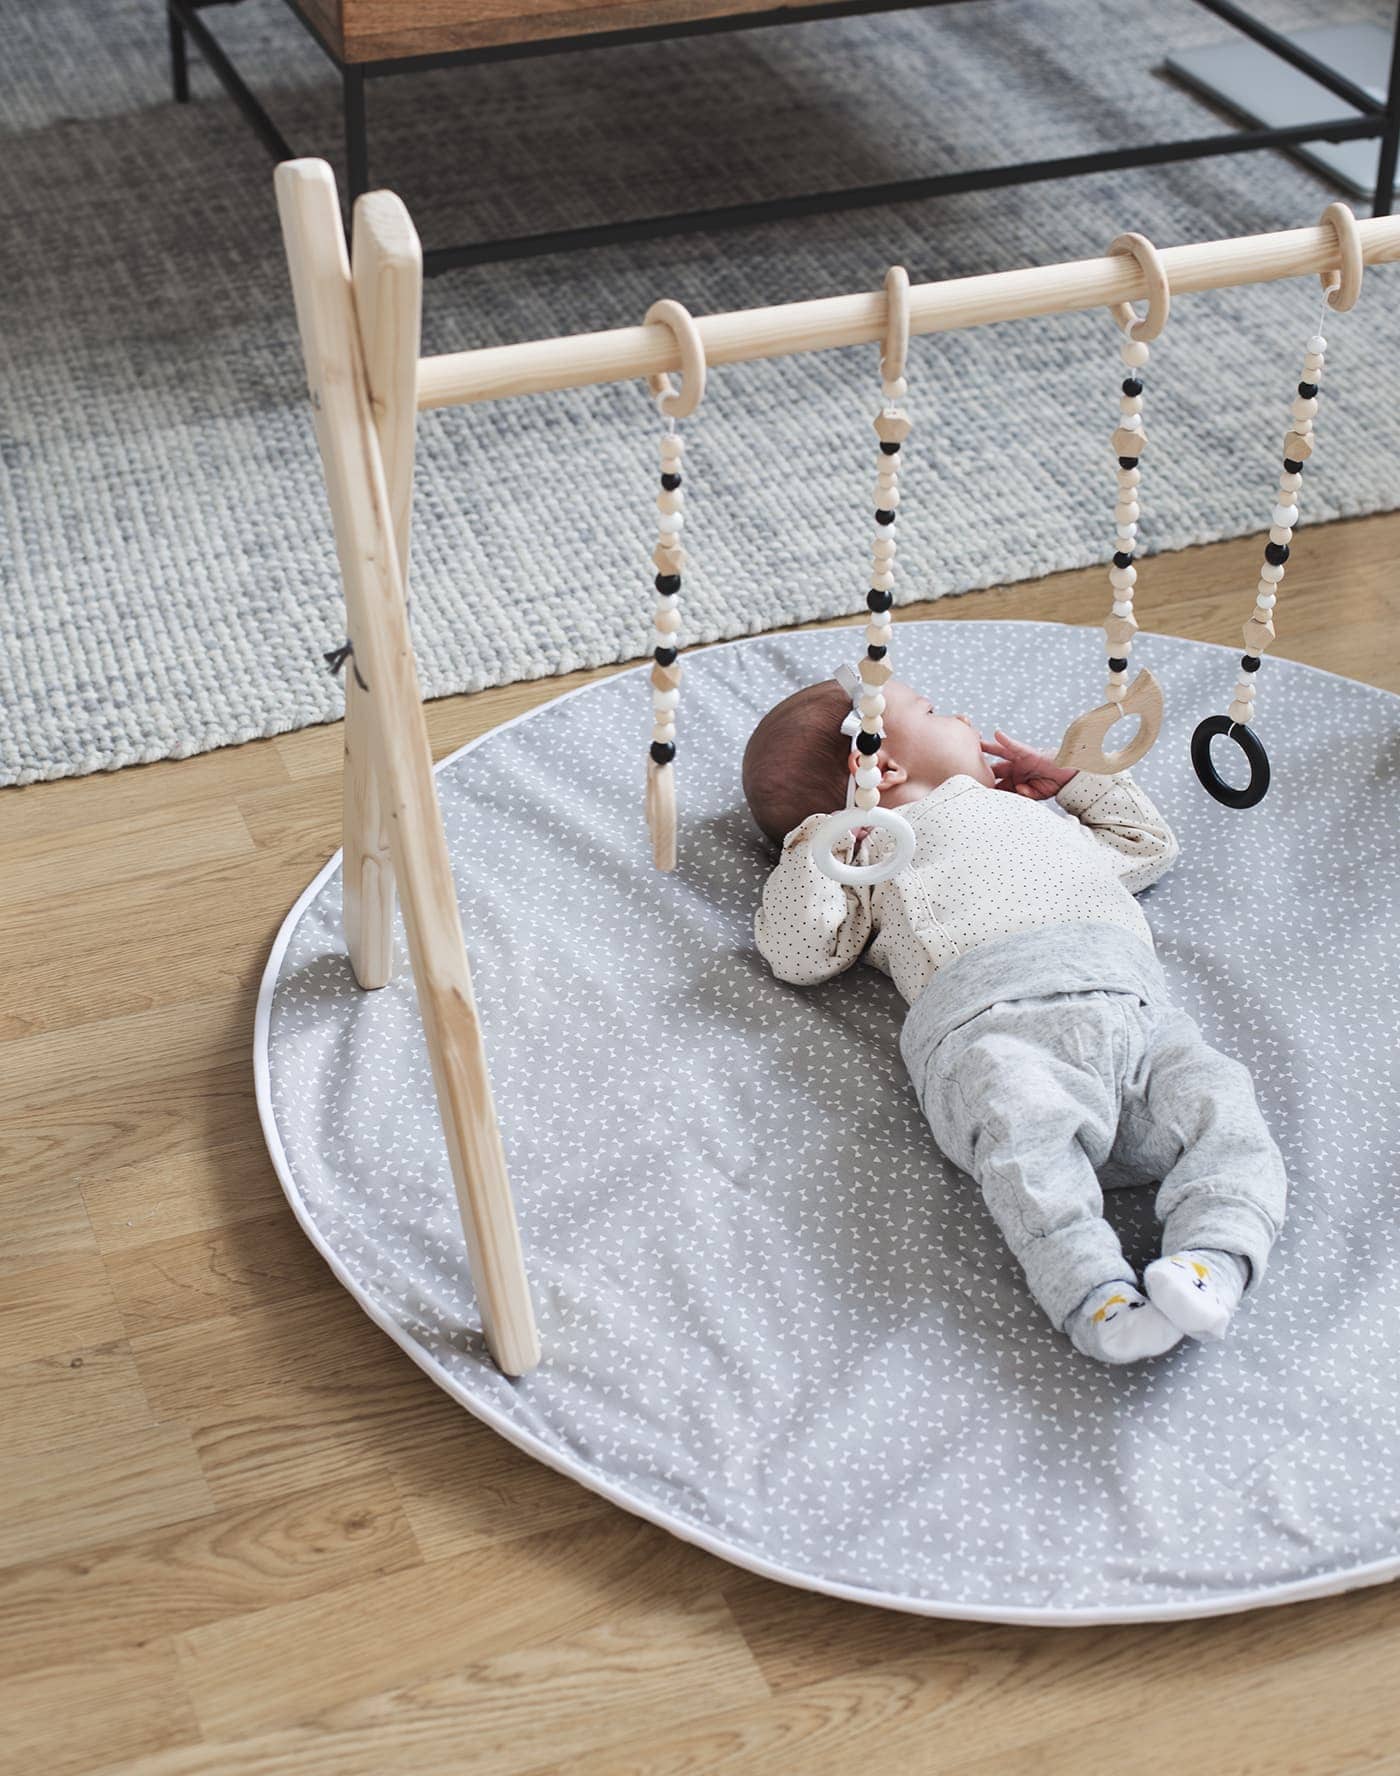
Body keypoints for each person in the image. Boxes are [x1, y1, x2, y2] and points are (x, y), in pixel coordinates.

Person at [744, 675, 1286, 1364]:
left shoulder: (1036, 818)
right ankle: (1096, 1295)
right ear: (884, 766)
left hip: (1136, 1011)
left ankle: (1212, 1259)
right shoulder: (875, 850)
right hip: (995, 1026)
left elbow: (1147, 845)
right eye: (937, 710)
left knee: (1222, 1104)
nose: (967, 713)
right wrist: (828, 832)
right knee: (1024, 1142)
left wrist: (1075, 783)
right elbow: (800, 949)